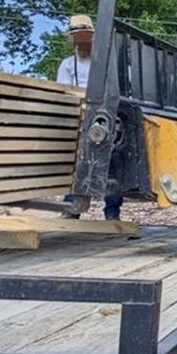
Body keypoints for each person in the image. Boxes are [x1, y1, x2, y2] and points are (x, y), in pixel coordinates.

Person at [56, 14, 123, 221]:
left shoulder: (105, 64)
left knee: (111, 164)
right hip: (80, 119)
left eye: (85, 36)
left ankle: (112, 212)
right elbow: (63, 92)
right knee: (78, 163)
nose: (82, 40)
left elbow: (116, 89)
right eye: (78, 36)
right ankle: (72, 208)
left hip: (104, 118)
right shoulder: (68, 65)